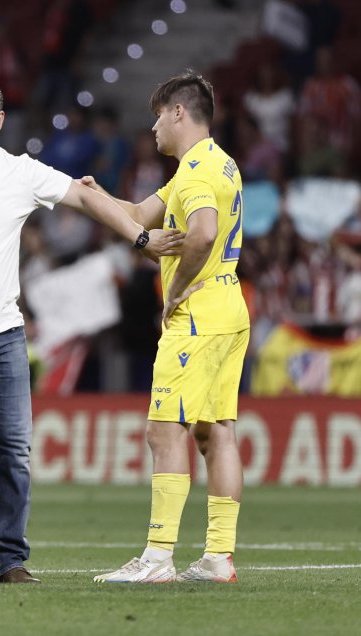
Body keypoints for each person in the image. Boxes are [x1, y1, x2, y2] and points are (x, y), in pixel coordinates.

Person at [0, 77, 182, 584]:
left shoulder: (22, 173)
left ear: (0, 120)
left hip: (3, 334)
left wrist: (140, 237)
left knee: (14, 452)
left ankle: (7, 559)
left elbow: (86, 198)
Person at [87, 70, 249, 584]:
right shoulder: (216, 165)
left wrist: (177, 289)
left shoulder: (195, 172)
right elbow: (139, 213)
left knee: (165, 430)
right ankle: (219, 558)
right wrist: (91, 194)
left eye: (158, 114)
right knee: (215, 431)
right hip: (230, 306)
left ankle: (157, 559)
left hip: (198, 313)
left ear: (179, 112)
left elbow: (201, 231)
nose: (153, 126)